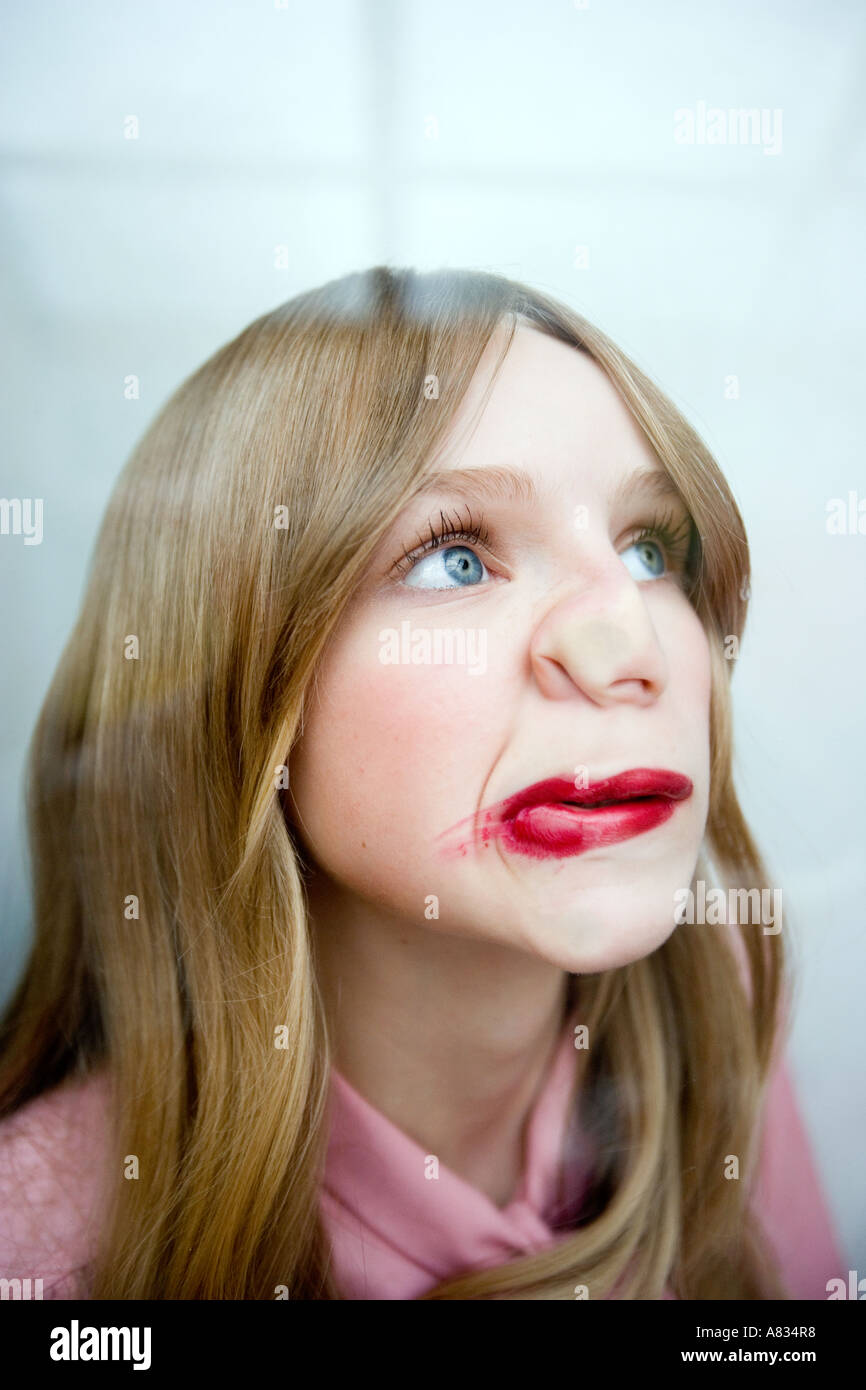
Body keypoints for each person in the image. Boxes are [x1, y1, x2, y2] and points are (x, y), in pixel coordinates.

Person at [0, 266, 845, 1299]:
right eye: (452, 556)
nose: (631, 641)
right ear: (236, 689)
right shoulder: (40, 1262)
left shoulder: (725, 992)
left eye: (646, 548)